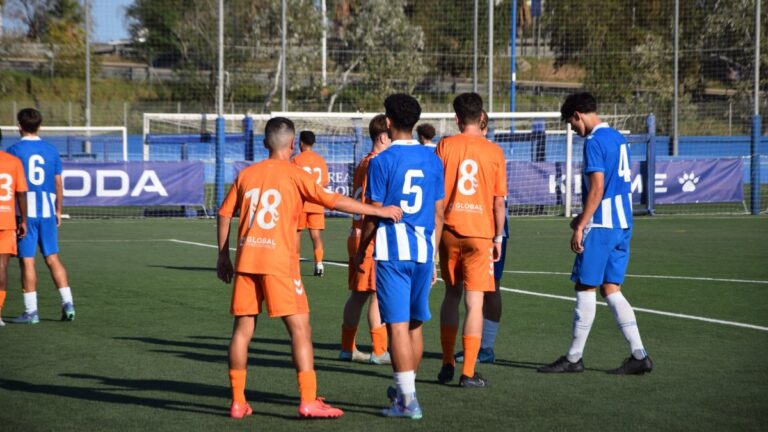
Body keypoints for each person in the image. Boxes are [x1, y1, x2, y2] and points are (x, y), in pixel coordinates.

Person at [217, 117, 402, 419]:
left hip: (247, 261)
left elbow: (224, 214)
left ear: (265, 143)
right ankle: (308, 399)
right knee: (301, 330)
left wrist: (223, 256)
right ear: (292, 145)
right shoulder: (295, 174)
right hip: (279, 263)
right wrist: (376, 210)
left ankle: (238, 401)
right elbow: (334, 200)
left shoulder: (246, 175)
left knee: (242, 331)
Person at [537, 92, 653, 375]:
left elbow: (598, 188)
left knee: (585, 286)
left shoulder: (594, 142)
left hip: (601, 225)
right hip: (623, 223)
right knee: (611, 288)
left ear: (578, 115)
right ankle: (639, 355)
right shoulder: (617, 137)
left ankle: (574, 358)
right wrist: (582, 215)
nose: (573, 130)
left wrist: (581, 225)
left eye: (571, 123)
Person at [355, 93, 444, 419]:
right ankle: (407, 391)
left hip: (393, 252)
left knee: (396, 327)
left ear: (388, 122)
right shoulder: (434, 158)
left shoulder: (382, 161)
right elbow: (439, 214)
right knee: (415, 327)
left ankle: (408, 401)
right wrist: (433, 256)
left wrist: (363, 250)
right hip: (423, 251)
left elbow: (374, 212)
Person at [436, 93, 507, 388]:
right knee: (475, 303)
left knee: (451, 296)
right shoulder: (494, 152)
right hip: (480, 233)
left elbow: (436, 193)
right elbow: (498, 202)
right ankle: (468, 372)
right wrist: (499, 236)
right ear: (481, 117)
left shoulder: (445, 146)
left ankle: (447, 361)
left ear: (456, 118)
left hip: (450, 230)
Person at [8, 108, 75, 324]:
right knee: (52, 258)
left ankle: (31, 312)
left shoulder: (13, 150)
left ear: (19, 125)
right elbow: (58, 183)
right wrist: (58, 210)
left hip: (24, 213)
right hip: (47, 210)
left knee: (27, 261)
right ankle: (68, 303)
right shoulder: (51, 150)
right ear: (40, 125)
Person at [455, 110, 507, 364]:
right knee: (475, 293)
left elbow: (499, 202)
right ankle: (476, 350)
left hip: (482, 229)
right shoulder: (491, 151)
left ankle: (485, 346)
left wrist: (498, 236)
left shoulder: (488, 150)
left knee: (484, 290)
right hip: (481, 229)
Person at [339, 114, 392, 365]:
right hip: (368, 236)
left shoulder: (363, 161)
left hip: (356, 233)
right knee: (376, 295)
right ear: (383, 137)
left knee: (358, 295)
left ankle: (347, 348)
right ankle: (380, 350)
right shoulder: (377, 164)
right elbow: (373, 203)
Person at [292, 130, 329, 277]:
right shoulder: (320, 160)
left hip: (300, 203)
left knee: (297, 235)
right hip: (317, 203)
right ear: (313, 144)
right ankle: (319, 264)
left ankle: (294, 267)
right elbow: (325, 182)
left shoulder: (296, 160)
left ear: (301, 143)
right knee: (316, 236)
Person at [0, 149, 28, 327]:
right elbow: (21, 193)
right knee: (1, 266)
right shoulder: (13, 161)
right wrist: (24, 220)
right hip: (6, 219)